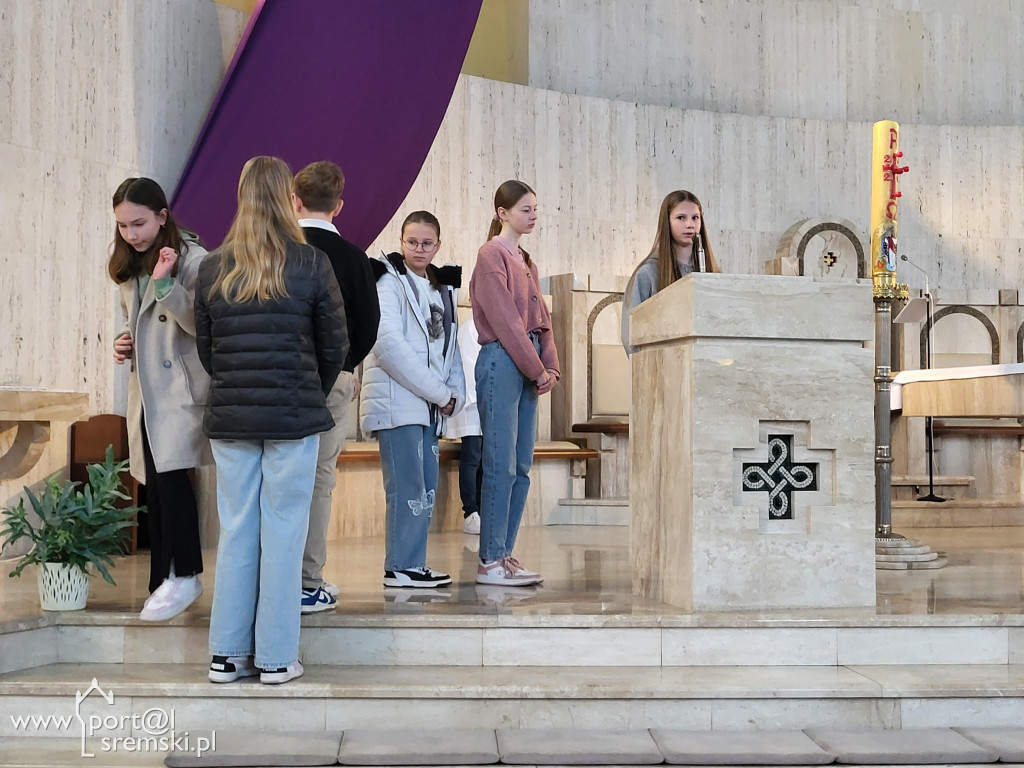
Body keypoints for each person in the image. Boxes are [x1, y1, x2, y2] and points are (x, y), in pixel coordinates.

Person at [195, 156, 348, 685]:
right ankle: (277, 658)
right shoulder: (310, 263)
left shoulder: (214, 266)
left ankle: (226, 656)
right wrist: (309, 392)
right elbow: (336, 345)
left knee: (237, 531)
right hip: (294, 417)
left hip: (232, 417)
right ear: (289, 198)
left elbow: (207, 351)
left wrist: (240, 389)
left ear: (241, 196)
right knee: (284, 533)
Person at [109, 177, 209, 622]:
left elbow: (199, 324)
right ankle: (162, 579)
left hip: (177, 387)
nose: (132, 234)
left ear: (162, 216)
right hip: (147, 390)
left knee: (173, 480)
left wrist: (166, 285)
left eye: (139, 223)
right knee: (155, 483)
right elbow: (133, 324)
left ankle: (185, 572)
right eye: (124, 226)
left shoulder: (195, 260)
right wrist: (121, 341)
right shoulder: (130, 266)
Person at [291, 161, 381, 613]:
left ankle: (273, 579)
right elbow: (368, 325)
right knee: (319, 480)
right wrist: (348, 366)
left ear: (295, 200)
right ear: (339, 205)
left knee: (275, 478)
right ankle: (307, 581)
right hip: (333, 380)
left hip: (280, 378)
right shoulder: (352, 256)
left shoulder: (280, 248)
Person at [360, 211, 465, 588]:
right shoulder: (388, 282)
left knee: (425, 487)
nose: (419, 249)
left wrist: (454, 394)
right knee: (407, 487)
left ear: (438, 245)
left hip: (427, 405)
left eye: (427, 243)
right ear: (401, 242)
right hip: (397, 400)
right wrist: (439, 393)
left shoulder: (441, 288)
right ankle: (400, 565)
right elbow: (387, 345)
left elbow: (447, 348)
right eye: (411, 242)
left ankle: (412, 563)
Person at [470, 180, 559, 587]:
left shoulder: (526, 259)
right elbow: (506, 321)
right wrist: (535, 368)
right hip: (504, 362)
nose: (533, 215)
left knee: (521, 465)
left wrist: (551, 366)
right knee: (500, 463)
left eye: (535, 208)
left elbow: (542, 319)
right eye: (525, 209)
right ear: (503, 213)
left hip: (527, 364)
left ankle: (505, 553)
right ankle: (489, 558)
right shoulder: (491, 254)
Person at [621, 190, 721, 355]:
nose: (690, 224)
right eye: (681, 217)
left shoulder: (712, 275)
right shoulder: (647, 274)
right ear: (667, 222)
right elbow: (630, 334)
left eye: (695, 217)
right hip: (661, 369)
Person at [444, 308, 483, 535]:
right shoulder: (470, 328)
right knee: (472, 457)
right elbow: (469, 370)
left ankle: (481, 508)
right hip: (472, 405)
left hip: (487, 405)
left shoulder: (492, 327)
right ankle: (470, 512)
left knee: (485, 459)